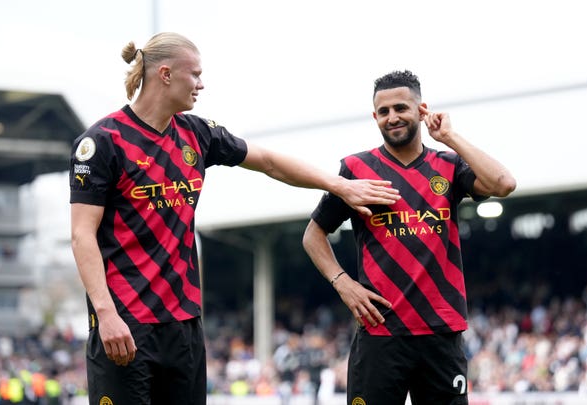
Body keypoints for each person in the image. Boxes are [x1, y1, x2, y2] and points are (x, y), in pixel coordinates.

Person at [68, 32, 400, 405]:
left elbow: (269, 162)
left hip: (184, 325)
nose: (201, 83)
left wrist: (340, 186)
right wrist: (105, 313)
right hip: (125, 322)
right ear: (165, 74)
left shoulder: (197, 134)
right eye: (194, 74)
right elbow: (82, 235)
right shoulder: (102, 142)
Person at [302, 70, 516, 405]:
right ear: (375, 117)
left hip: (441, 331)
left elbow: (503, 183)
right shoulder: (356, 169)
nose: (392, 118)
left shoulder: (449, 165)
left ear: (421, 109)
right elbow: (313, 235)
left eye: (401, 108)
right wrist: (342, 282)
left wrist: (451, 138)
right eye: (383, 112)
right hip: (380, 331)